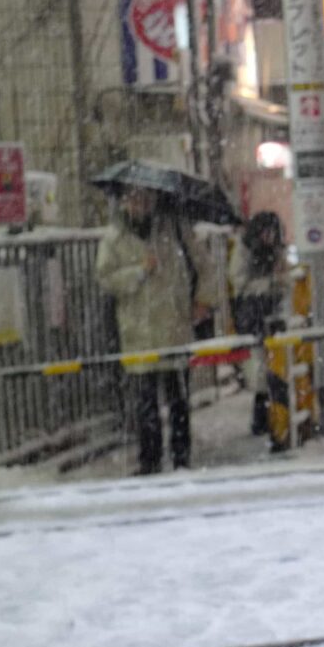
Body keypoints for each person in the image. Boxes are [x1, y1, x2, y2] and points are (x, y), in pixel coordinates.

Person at [95, 184, 195, 475]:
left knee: (178, 398)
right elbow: (106, 280)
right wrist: (140, 271)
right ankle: (150, 459)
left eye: (146, 199)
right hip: (138, 332)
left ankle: (181, 457)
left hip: (171, 329)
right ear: (125, 202)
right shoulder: (113, 240)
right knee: (145, 402)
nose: (140, 205)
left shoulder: (168, 236)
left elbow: (181, 278)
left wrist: (187, 310)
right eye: (134, 198)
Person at [229, 210, 289, 439]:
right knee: (262, 368)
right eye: (266, 232)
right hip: (253, 317)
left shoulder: (276, 252)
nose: (270, 237)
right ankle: (265, 419)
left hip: (273, 315)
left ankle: (272, 418)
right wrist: (270, 283)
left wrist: (279, 281)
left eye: (274, 233)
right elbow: (240, 285)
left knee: (274, 365)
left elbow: (284, 283)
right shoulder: (244, 250)